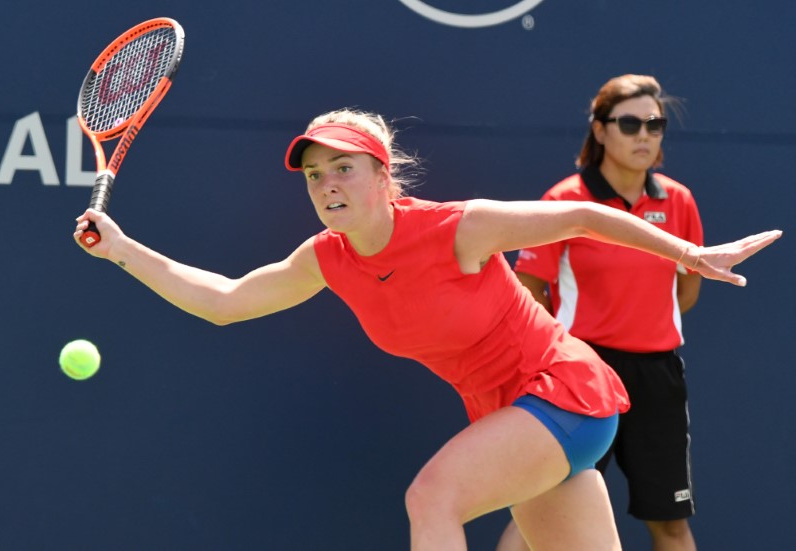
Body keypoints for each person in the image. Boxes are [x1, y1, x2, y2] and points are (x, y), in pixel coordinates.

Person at [73, 108, 779, 551]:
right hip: (509, 415)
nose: (326, 186)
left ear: (385, 178)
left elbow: (583, 217)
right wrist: (122, 248)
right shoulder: (327, 258)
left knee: (430, 497)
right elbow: (226, 300)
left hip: (563, 390)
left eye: (342, 169)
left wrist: (689, 254)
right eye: (315, 176)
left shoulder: (455, 228)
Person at [496, 74, 707, 551]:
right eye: (629, 123)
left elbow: (686, 291)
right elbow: (529, 293)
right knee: (539, 516)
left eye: (655, 124)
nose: (644, 136)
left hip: (657, 377)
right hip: (579, 377)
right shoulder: (564, 201)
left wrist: (641, 321)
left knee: (670, 523)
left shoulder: (678, 200)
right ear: (599, 130)